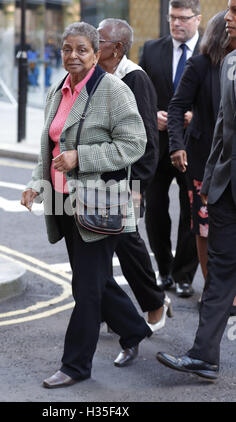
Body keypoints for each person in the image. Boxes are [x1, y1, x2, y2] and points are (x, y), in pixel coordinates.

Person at [21, 22, 152, 389]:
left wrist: (82, 157)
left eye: (81, 49)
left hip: (100, 203)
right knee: (94, 280)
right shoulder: (56, 91)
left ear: (97, 54)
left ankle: (76, 365)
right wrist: (36, 183)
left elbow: (133, 144)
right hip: (65, 203)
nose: (73, 56)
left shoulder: (114, 91)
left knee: (87, 289)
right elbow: (48, 148)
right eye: (66, 49)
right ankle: (134, 328)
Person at [156, 0, 236, 381]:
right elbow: (217, 127)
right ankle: (204, 355)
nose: (229, 19)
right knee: (217, 266)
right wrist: (180, 146)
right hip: (216, 177)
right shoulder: (216, 66)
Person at [97, 18, 172, 332]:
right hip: (98, 177)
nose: (92, 41)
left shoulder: (134, 78)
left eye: (98, 39)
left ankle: (155, 304)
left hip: (127, 180)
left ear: (116, 48)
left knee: (128, 246)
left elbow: (147, 140)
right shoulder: (96, 74)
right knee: (97, 246)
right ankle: (109, 310)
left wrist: (137, 186)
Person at [168, 10, 236, 312]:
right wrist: (176, 146)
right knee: (204, 227)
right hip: (204, 161)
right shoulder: (200, 65)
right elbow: (176, 107)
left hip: (228, 162)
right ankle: (212, 289)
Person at [139, 0, 201, 298]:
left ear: (197, 19)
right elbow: (138, 96)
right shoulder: (151, 50)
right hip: (158, 145)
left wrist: (195, 117)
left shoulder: (212, 52)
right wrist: (152, 116)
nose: (176, 23)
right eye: (172, 17)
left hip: (194, 146)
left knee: (191, 211)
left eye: (183, 18)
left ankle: (184, 275)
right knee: (155, 212)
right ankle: (163, 270)